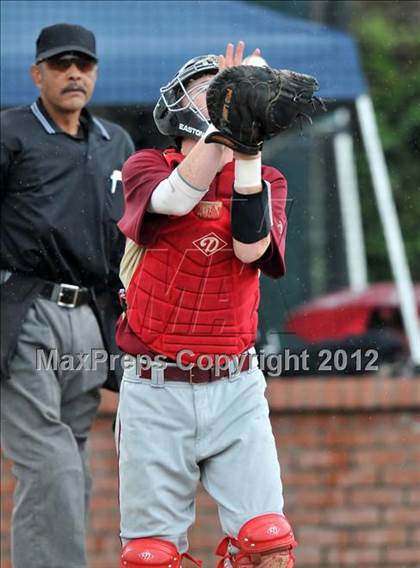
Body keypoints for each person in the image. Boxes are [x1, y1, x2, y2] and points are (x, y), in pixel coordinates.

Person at [115, 42, 296, 567]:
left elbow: (249, 246)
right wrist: (224, 127)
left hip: (234, 385)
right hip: (156, 386)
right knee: (151, 556)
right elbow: (174, 199)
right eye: (207, 95)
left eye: (227, 94)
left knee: (267, 541)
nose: (219, 102)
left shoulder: (268, 178)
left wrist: (249, 146)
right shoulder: (147, 165)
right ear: (178, 109)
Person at [0, 23, 134, 568]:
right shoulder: (9, 133)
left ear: (96, 72)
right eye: (60, 64)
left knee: (72, 459)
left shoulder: (116, 144)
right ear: (37, 74)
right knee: (49, 458)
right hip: (25, 310)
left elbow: (127, 237)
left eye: (84, 64)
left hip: (91, 317)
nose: (74, 73)